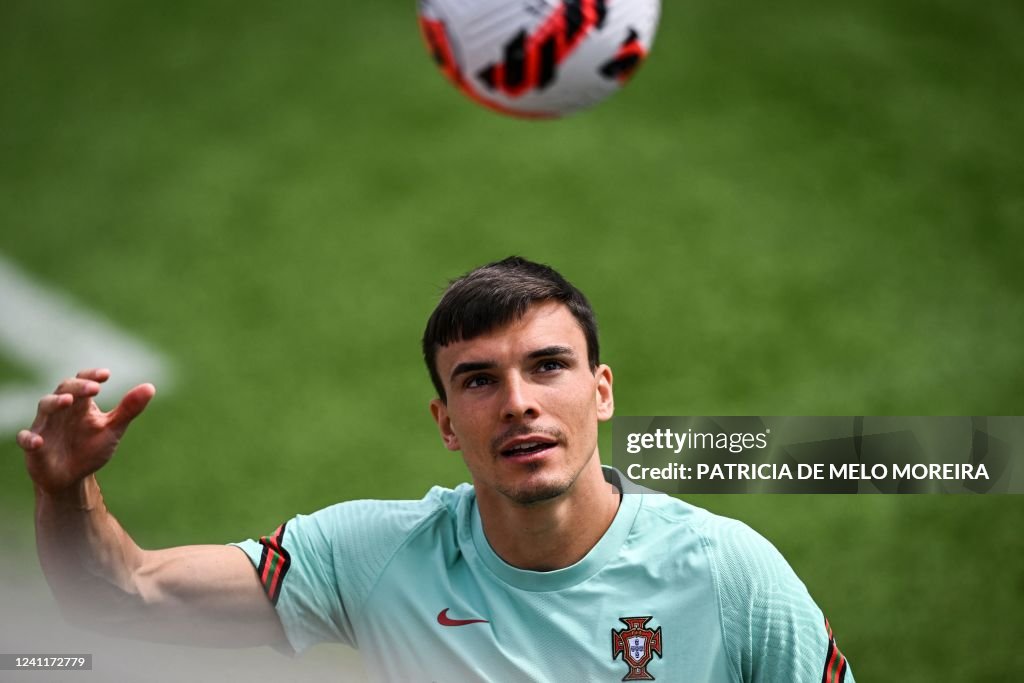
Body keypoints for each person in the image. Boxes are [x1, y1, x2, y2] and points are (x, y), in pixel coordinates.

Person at [18, 256, 853, 682]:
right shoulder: (370, 557)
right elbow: (121, 593)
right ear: (446, 423)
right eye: (479, 380)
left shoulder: (727, 572)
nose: (518, 402)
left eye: (548, 366)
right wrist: (67, 490)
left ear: (601, 391)